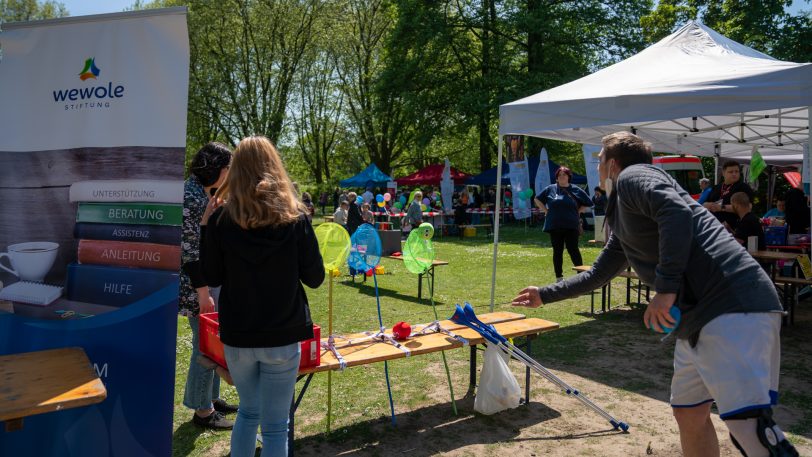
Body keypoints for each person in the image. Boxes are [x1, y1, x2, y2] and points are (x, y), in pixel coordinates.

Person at [513, 132, 797, 457]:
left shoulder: (634, 177)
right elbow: (599, 274)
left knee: (749, 429)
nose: (599, 164)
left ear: (613, 163)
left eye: (601, 158)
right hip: (697, 322)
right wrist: (543, 295)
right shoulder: (626, 212)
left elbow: (675, 212)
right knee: (689, 413)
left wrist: (665, 288)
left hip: (731, 306)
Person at [200, 136, 325, 457]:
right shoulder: (295, 218)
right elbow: (315, 278)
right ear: (274, 167)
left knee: (249, 413)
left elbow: (211, 277)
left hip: (239, 335)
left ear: (237, 170)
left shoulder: (220, 220)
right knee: (275, 427)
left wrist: (206, 227)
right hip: (283, 335)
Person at [179, 142, 238, 430]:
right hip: (196, 286)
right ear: (216, 167)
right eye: (229, 168)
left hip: (208, 283)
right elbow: (189, 252)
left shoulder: (204, 192)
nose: (230, 173)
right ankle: (202, 411)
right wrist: (203, 292)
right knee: (204, 346)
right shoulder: (190, 197)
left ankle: (211, 399)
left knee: (213, 343)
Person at [535, 166, 593, 282]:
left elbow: (589, 202)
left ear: (568, 177)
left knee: (573, 250)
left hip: (571, 225)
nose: (562, 177)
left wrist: (579, 210)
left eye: (564, 175)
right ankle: (559, 278)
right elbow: (537, 199)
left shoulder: (576, 189)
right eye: (559, 175)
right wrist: (546, 211)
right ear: (556, 178)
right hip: (555, 226)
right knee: (557, 251)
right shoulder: (550, 189)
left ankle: (581, 277)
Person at [703, 161, 754, 230]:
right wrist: (708, 205)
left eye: (736, 171)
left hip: (735, 228)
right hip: (715, 226)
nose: (734, 174)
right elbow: (705, 203)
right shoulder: (717, 187)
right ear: (723, 173)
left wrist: (722, 207)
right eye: (731, 172)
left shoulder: (744, 187)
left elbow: (748, 208)